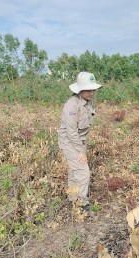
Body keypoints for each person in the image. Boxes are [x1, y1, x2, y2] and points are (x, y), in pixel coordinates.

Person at [57, 72, 103, 212]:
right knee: (83, 172)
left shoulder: (88, 102)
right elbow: (71, 133)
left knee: (74, 171)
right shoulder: (71, 106)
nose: (91, 93)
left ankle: (72, 199)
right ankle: (82, 205)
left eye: (93, 90)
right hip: (69, 141)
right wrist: (81, 151)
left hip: (80, 140)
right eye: (88, 90)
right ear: (80, 90)